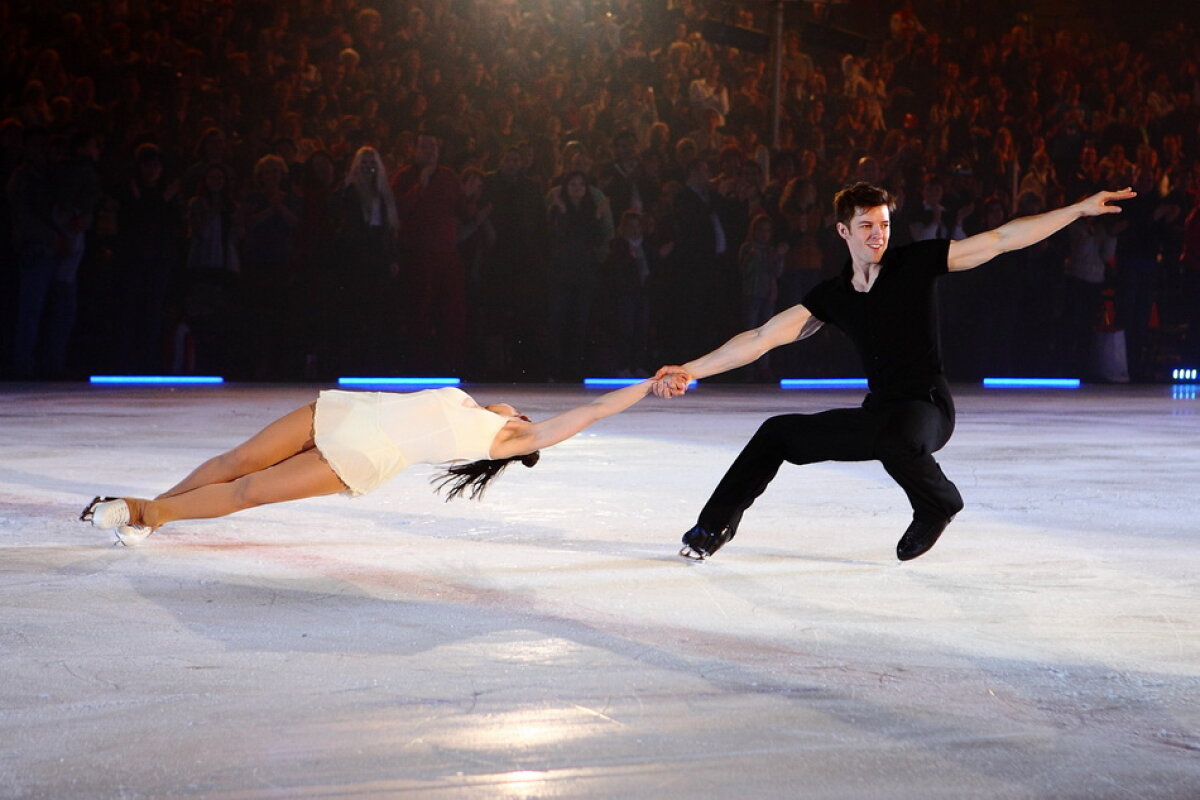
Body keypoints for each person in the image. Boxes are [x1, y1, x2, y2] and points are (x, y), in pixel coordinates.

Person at [654, 181, 1136, 562]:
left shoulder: (916, 263)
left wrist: (1077, 209)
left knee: (894, 438)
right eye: (865, 226)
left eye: (883, 224)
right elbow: (761, 338)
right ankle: (711, 528)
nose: (878, 234)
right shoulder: (833, 296)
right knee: (776, 433)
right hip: (881, 413)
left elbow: (1003, 238)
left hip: (927, 407)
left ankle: (938, 504)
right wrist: (690, 370)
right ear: (843, 231)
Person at [81, 378, 661, 546]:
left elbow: (591, 412)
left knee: (250, 490)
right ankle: (155, 507)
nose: (523, 407)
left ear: (532, 437)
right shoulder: (471, 403)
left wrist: (649, 383)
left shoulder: (506, 439)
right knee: (238, 460)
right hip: (351, 411)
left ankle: (146, 513)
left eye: (533, 419)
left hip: (366, 451)